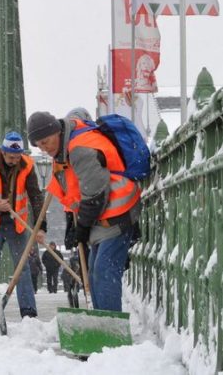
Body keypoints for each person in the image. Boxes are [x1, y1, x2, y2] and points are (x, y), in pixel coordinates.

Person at [27, 109, 141, 313]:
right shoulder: (63, 151)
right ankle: (100, 321)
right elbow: (70, 192)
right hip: (103, 216)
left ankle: (110, 327)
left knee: (104, 271)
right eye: (39, 145)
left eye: (46, 141)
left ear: (56, 132)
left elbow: (95, 193)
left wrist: (83, 227)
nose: (44, 149)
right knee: (92, 272)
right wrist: (73, 224)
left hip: (117, 211)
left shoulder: (79, 148)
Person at [0, 131, 44, 320]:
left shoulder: (27, 166)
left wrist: (40, 227)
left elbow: (36, 197)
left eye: (18, 156)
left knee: (23, 268)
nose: (14, 160)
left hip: (17, 224)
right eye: (11, 157)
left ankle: (29, 313)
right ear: (3, 152)